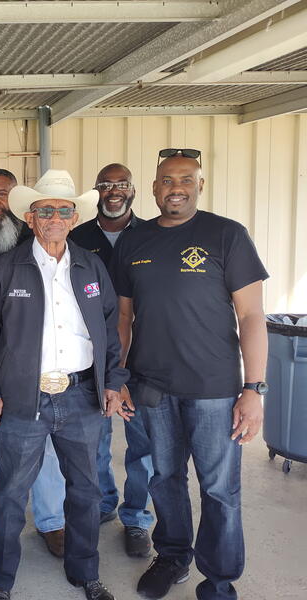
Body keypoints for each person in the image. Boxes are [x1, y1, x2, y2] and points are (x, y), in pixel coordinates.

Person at [112, 149, 268, 600]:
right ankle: (173, 556)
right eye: (167, 180)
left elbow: (252, 316)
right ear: (154, 188)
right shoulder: (134, 242)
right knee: (165, 478)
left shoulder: (226, 235)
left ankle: (218, 580)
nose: (175, 187)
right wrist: (119, 377)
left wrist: (253, 388)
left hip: (214, 390)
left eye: (185, 179)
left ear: (200, 185)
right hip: (152, 387)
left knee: (219, 489)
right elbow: (123, 317)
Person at [0, 169, 130, 600]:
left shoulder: (91, 266)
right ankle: (1, 582)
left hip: (82, 396)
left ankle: (86, 572)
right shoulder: (5, 268)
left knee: (86, 490)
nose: (55, 218)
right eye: (46, 211)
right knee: (10, 493)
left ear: (75, 218)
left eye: (64, 211)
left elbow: (110, 328)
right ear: (30, 217)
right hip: (24, 397)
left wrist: (113, 381)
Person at [0, 169, 67, 563]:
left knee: (48, 453)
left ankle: (51, 520)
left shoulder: (41, 242)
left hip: (45, 371)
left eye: (2, 194)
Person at [69, 163, 154, 558]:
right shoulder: (78, 238)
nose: (114, 191)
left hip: (146, 358)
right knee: (96, 441)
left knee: (142, 444)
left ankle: (136, 517)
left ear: (133, 190)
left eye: (122, 184)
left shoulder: (153, 236)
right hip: (95, 360)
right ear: (96, 191)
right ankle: (102, 502)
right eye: (106, 185)